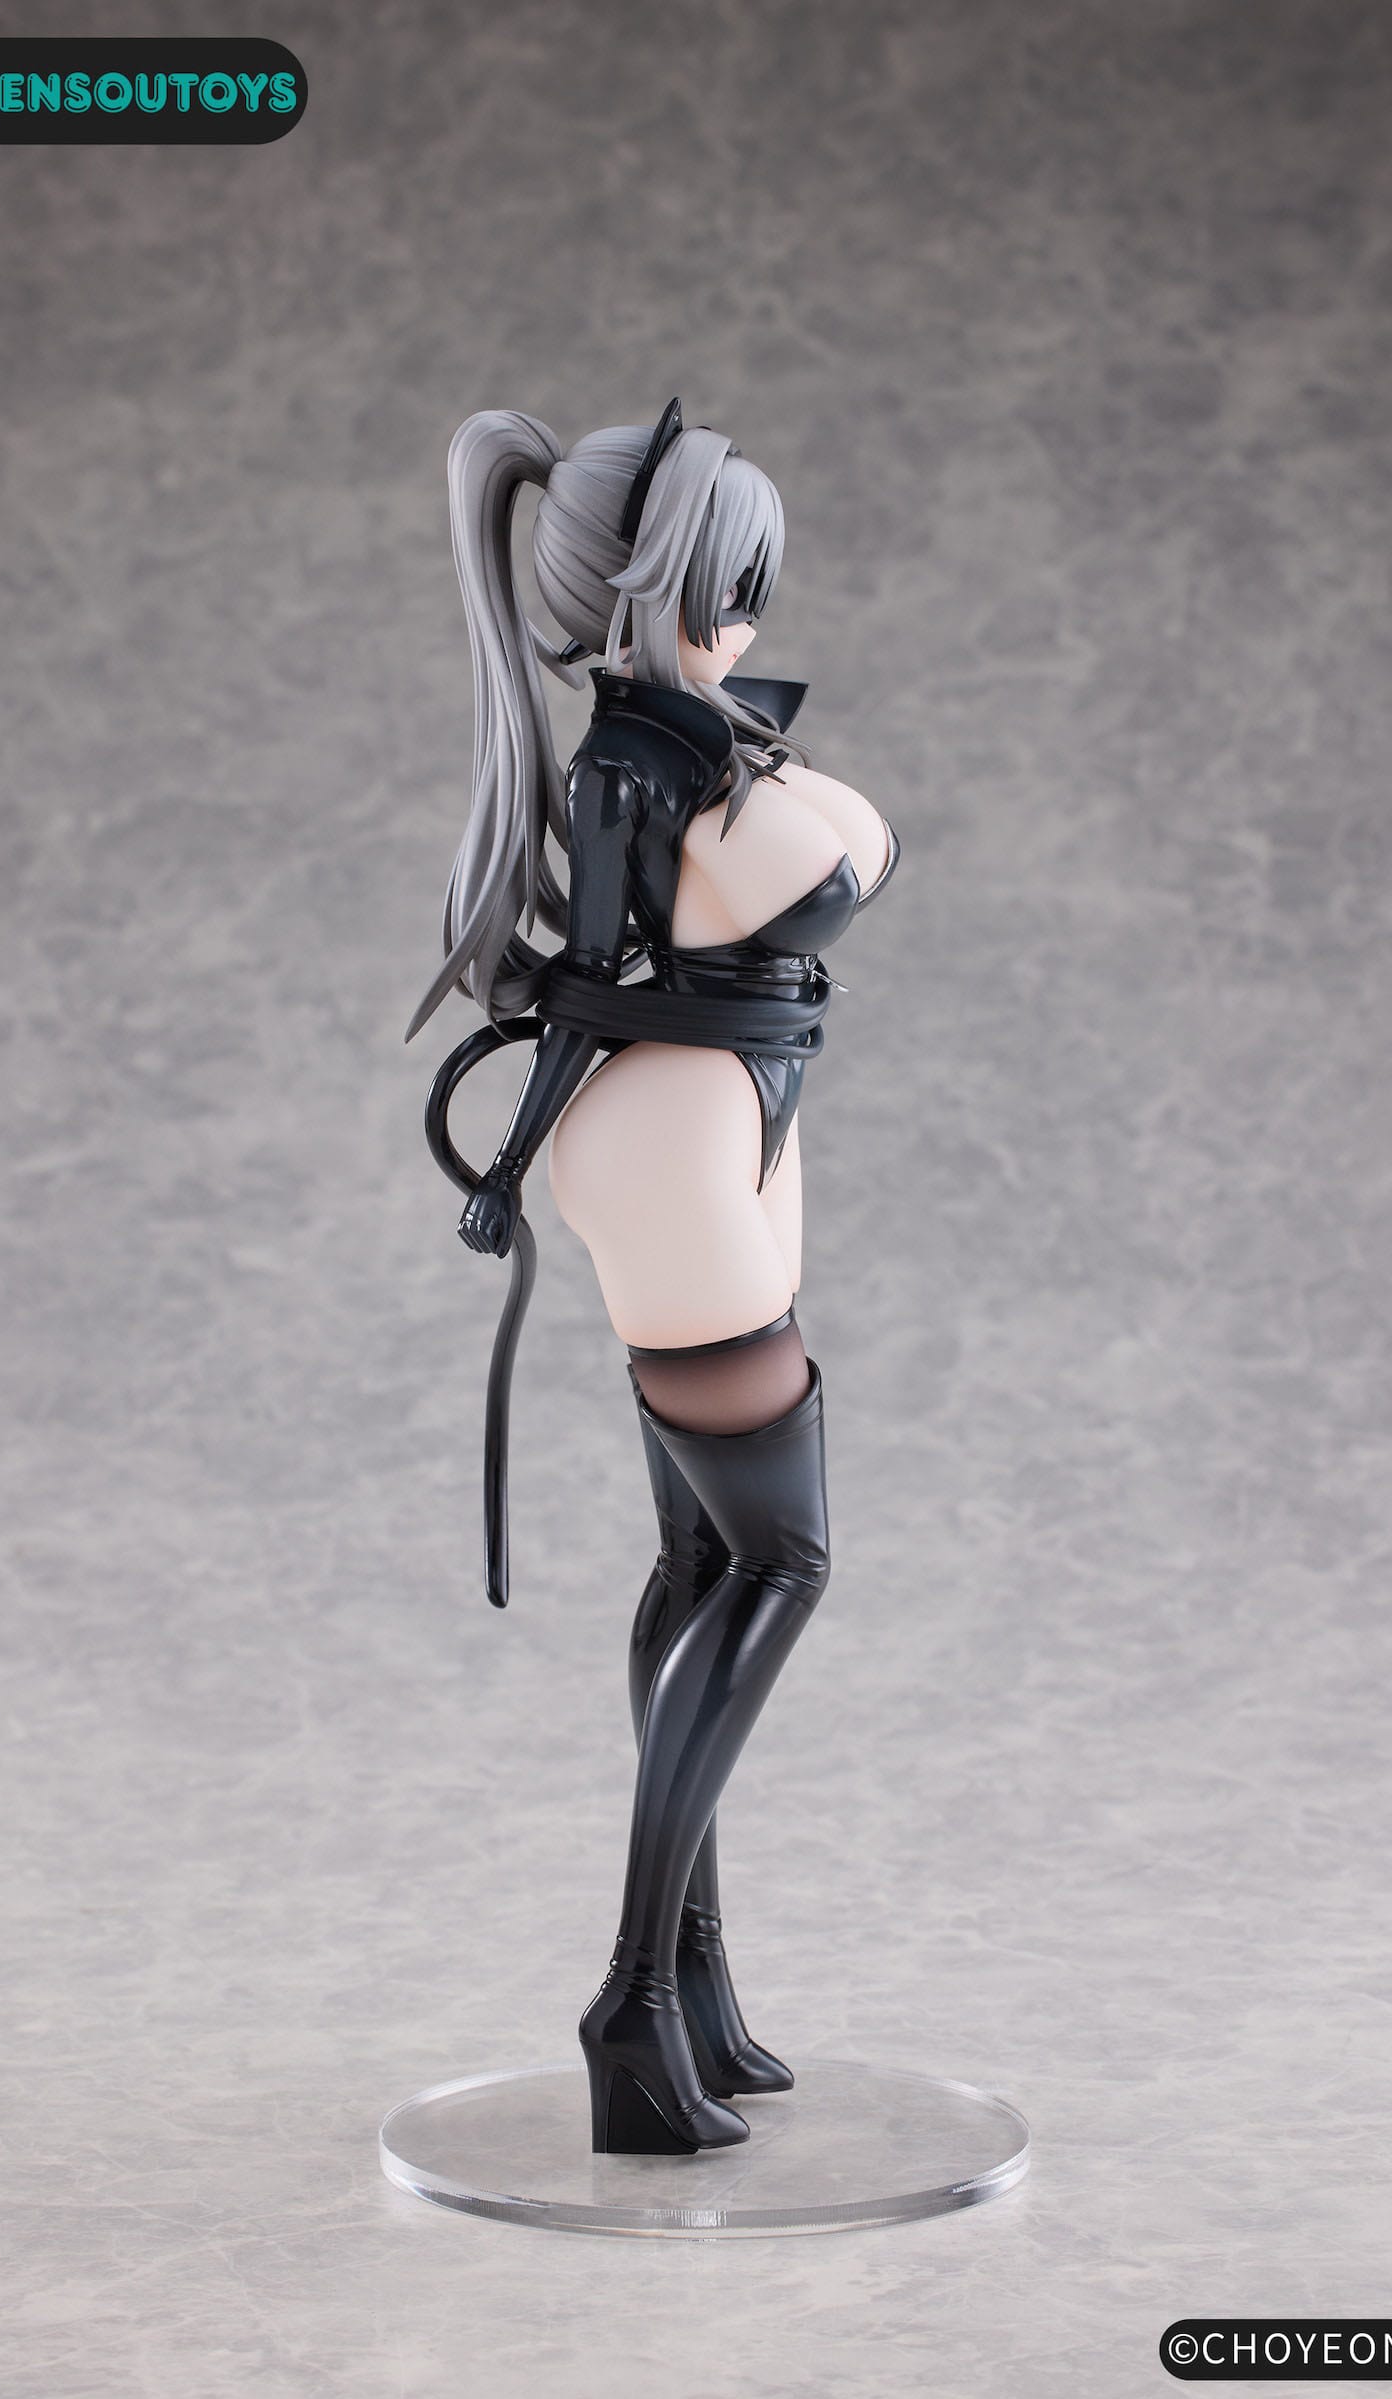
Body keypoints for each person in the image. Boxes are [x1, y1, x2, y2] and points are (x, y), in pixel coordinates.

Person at [406, 401, 899, 2154]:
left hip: (725, 1119)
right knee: (782, 1555)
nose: (747, 622)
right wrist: (510, 1161)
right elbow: (796, 880)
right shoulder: (645, 759)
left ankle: (695, 1984)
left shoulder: (689, 742)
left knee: (703, 1558)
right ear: (649, 589)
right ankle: (631, 1999)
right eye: (723, 585)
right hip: (679, 1139)